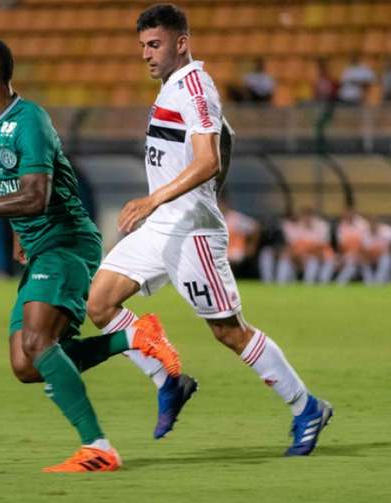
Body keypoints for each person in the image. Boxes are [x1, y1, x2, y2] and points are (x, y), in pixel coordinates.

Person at [0, 37, 180, 473]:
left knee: (39, 342)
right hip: (42, 246)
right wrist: (21, 231)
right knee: (26, 364)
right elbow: (16, 184)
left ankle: (98, 447)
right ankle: (134, 338)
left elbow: (37, 196)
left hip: (67, 242)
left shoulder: (29, 122)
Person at [85, 4, 332, 457]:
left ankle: (306, 406)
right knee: (99, 302)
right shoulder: (172, 87)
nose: (146, 54)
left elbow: (209, 159)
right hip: (160, 226)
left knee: (229, 331)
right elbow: (226, 138)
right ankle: (170, 380)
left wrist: (156, 198)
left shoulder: (195, 86)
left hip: (190, 232)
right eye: (141, 46)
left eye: (154, 44)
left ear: (182, 43)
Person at [277, 208, 335, 284]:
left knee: (314, 261)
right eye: (304, 216)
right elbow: (293, 246)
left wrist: (308, 254)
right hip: (301, 257)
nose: (307, 219)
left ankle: (313, 284)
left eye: (309, 216)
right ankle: (280, 284)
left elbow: (321, 248)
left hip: (319, 258)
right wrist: (298, 257)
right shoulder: (298, 227)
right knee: (285, 258)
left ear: (313, 217)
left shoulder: (321, 226)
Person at [219, 197, 260, 276]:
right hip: (222, 251)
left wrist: (251, 246)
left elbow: (255, 227)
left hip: (236, 249)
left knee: (230, 258)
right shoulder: (215, 218)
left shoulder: (235, 218)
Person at [335, 206, 369, 285]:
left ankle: (371, 283)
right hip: (348, 255)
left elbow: (365, 243)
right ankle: (340, 282)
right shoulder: (342, 225)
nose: (347, 215)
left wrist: (359, 255)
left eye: (349, 212)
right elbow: (341, 246)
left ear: (353, 212)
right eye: (345, 213)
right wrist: (341, 258)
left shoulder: (363, 224)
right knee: (348, 263)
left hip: (363, 254)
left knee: (355, 263)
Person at [361, 216, 391, 284]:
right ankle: (369, 282)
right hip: (371, 257)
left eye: (374, 223)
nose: (372, 225)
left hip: (385, 256)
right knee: (363, 260)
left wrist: (380, 253)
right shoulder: (365, 234)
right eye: (371, 223)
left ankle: (379, 281)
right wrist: (371, 256)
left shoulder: (386, 231)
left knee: (385, 258)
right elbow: (364, 251)